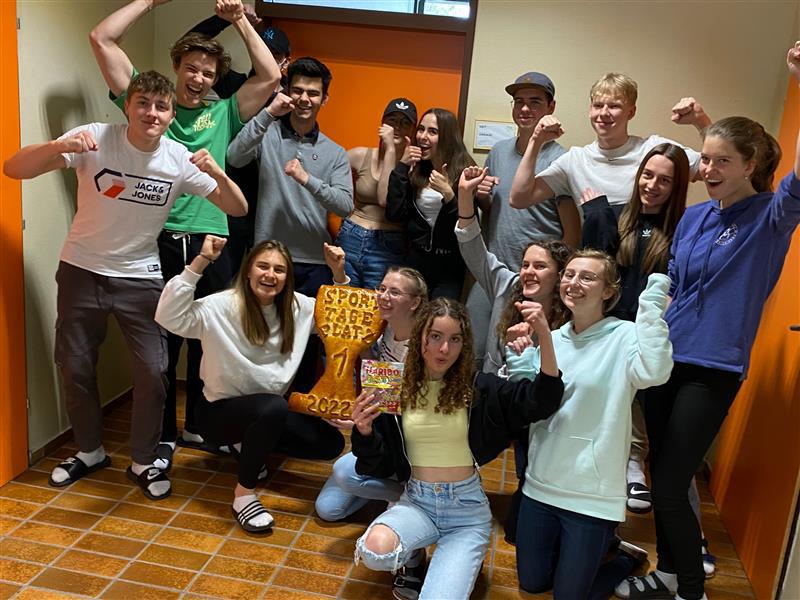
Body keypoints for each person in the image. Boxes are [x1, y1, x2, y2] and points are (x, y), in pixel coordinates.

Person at [3, 71, 247, 501]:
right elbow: (13, 168)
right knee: (75, 366)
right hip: (81, 270)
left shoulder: (177, 158)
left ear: (171, 115)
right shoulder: (96, 138)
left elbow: (237, 207)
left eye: (161, 106)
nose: (151, 113)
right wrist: (59, 147)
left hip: (140, 277)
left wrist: (217, 173)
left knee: (153, 371)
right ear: (128, 106)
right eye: (143, 103)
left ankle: (143, 461)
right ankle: (90, 451)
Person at [617, 43, 800, 600]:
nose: (709, 169)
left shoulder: (771, 217)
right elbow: (669, 287)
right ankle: (669, 573)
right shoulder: (695, 216)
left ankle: (689, 588)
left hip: (713, 367)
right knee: (660, 476)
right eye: (706, 159)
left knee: (673, 483)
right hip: (666, 359)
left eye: (723, 161)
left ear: (750, 166)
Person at [90, 0, 281, 463]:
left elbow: (271, 76)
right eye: (192, 68)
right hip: (158, 239)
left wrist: (239, 19)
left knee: (209, 341)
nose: (198, 79)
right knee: (161, 342)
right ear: (177, 67)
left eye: (208, 73)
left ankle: (199, 426)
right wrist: (149, 2)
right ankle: (163, 435)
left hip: (213, 241)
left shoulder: (225, 113)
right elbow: (102, 39)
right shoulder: (154, 106)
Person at [350, 297, 565, 600]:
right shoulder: (394, 388)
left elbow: (542, 400)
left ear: (464, 344)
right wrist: (364, 432)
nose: (444, 349)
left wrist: (544, 334)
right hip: (417, 502)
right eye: (435, 336)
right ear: (420, 336)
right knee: (376, 551)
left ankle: (461, 557)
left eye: (455, 339)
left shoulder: (480, 389)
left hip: (466, 512)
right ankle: (414, 554)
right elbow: (379, 464)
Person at [506, 249, 673, 598]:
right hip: (541, 483)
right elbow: (533, 402)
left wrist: (651, 308)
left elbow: (654, 373)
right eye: (569, 274)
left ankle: (624, 559)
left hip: (591, 495)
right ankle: (593, 554)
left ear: (609, 291)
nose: (573, 283)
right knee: (532, 583)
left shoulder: (625, 335)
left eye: (587, 277)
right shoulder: (552, 338)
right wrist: (519, 357)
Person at [155, 236, 348, 531]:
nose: (270, 275)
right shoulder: (220, 306)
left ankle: (248, 444)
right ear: (248, 270)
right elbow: (167, 316)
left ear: (287, 278)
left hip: (265, 410)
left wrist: (338, 273)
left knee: (329, 443)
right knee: (273, 407)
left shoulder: (298, 308)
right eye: (263, 266)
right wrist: (200, 263)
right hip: (217, 414)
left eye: (279, 270)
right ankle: (243, 495)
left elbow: (342, 319)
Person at [581, 143, 689, 513]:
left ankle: (634, 462)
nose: (652, 185)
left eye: (664, 180)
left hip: (651, 328)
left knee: (641, 392)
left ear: (676, 187)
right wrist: (596, 217)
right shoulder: (615, 217)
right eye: (648, 175)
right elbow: (596, 265)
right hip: (610, 325)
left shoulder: (681, 229)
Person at [465, 72, 579, 364]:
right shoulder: (499, 151)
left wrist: (556, 282)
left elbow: (572, 233)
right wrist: (481, 195)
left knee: (519, 359)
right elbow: (494, 209)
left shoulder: (562, 160)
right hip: (493, 271)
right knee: (471, 353)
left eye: (535, 102)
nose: (525, 109)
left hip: (534, 282)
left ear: (551, 107)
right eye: (519, 102)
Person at [227, 57, 353, 297]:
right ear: (287, 92)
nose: (304, 99)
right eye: (298, 91)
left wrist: (307, 179)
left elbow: (345, 206)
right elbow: (234, 157)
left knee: (309, 324)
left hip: (314, 261)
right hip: (267, 258)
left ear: (324, 99)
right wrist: (268, 113)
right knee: (259, 322)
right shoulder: (267, 132)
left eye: (313, 93)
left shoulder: (335, 152)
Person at [315, 266, 427, 522]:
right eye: (382, 288)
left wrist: (360, 423)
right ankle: (389, 485)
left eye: (395, 292)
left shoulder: (424, 348)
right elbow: (376, 378)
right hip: (376, 435)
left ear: (415, 302)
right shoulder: (384, 328)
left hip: (403, 444)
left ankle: (410, 495)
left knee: (343, 473)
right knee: (328, 510)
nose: (384, 296)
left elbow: (407, 412)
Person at [186, 9, 292, 273]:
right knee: (225, 277)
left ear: (285, 60)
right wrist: (227, 18)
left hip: (276, 203)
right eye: (263, 51)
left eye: (275, 54)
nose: (267, 58)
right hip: (231, 196)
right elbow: (191, 45)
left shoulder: (295, 101)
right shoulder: (238, 88)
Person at [509, 72, 709, 212]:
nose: (604, 113)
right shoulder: (576, 160)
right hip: (595, 259)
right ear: (590, 110)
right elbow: (519, 199)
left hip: (649, 256)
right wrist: (535, 141)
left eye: (614, 106)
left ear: (631, 112)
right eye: (598, 105)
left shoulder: (653, 150)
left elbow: (713, 170)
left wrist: (701, 122)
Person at [456, 165, 570, 374]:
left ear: (559, 276)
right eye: (525, 265)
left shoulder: (571, 313)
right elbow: (473, 250)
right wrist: (464, 196)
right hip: (496, 388)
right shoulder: (508, 285)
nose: (528, 272)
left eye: (540, 266)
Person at [385, 108, 476, 299]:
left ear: (447, 137)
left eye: (432, 132)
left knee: (441, 315)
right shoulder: (417, 169)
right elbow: (395, 214)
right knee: (411, 314)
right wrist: (401, 167)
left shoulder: (465, 170)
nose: (423, 137)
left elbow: (467, 227)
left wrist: (449, 194)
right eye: (421, 129)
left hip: (449, 268)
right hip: (415, 263)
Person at [337, 99, 418, 289]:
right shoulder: (359, 155)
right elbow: (327, 181)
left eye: (405, 123)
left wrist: (390, 149)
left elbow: (385, 199)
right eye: (392, 120)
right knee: (344, 299)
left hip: (388, 245)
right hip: (351, 236)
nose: (397, 127)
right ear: (382, 123)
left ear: (413, 130)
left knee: (379, 303)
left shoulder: (415, 166)